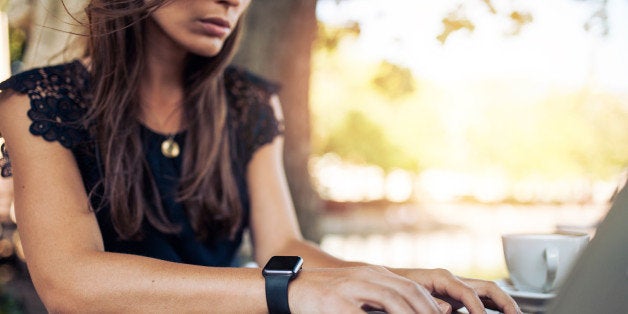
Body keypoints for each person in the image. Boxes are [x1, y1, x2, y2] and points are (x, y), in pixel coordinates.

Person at [0, 0, 520, 313]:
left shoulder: (250, 102)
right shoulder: (38, 101)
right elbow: (71, 284)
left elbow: (283, 245)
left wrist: (398, 278)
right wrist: (286, 293)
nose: (233, 0)